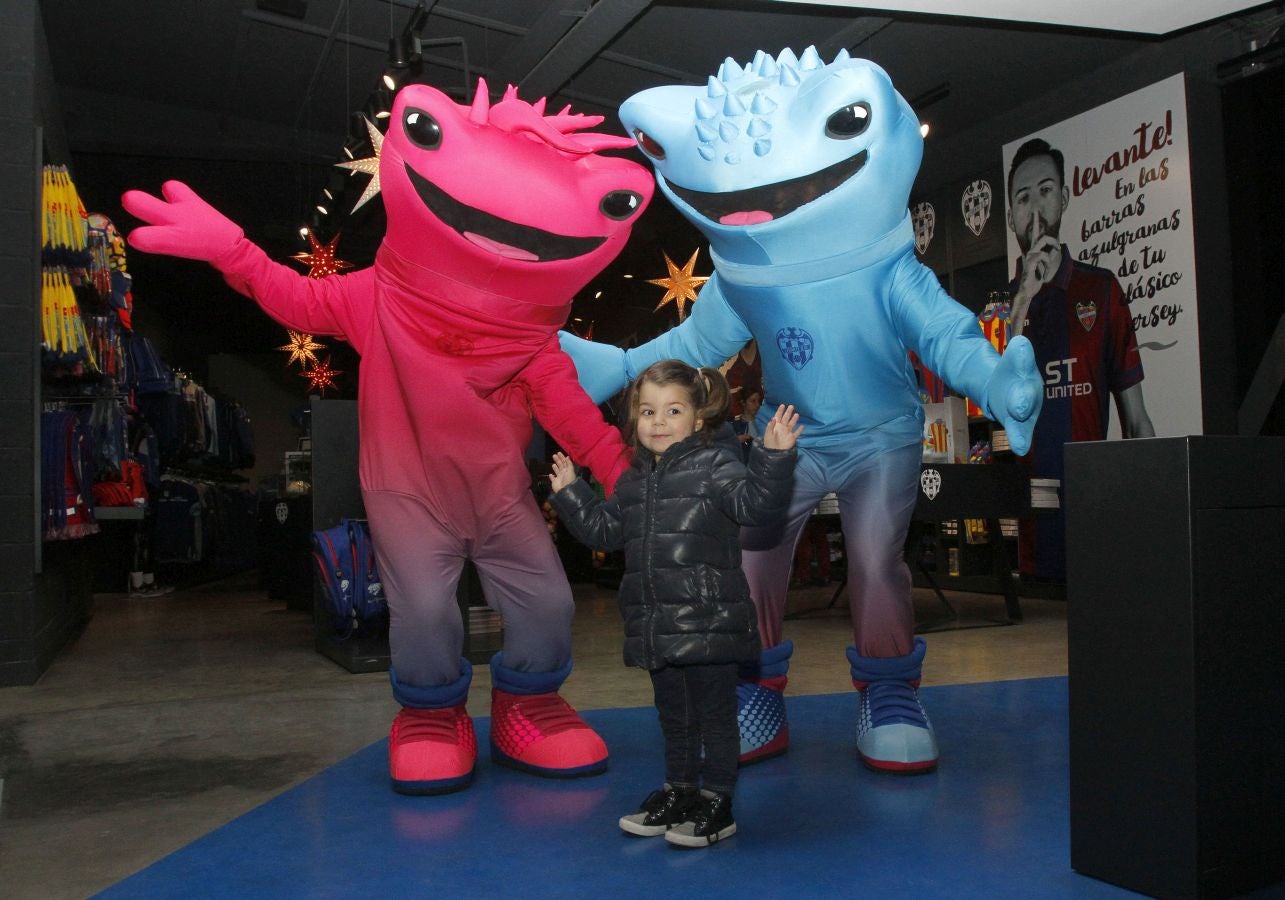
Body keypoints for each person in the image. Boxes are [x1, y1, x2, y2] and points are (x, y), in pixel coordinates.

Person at [549, 360, 800, 848]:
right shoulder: (633, 481)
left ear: (698, 419)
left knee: (715, 716)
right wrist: (571, 494)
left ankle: (717, 800)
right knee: (674, 716)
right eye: (647, 411)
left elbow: (755, 506)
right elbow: (605, 531)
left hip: (710, 624)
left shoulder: (717, 465)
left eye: (672, 410)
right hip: (658, 625)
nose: (657, 422)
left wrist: (773, 458)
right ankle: (680, 789)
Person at [1005, 137, 1155, 580]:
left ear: (1065, 198)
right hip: (1027, 530)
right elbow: (999, 404)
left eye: (1046, 191)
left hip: (1094, 520)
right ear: (1010, 213)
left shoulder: (1101, 290)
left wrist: (1148, 508)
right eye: (1023, 197)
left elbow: (1137, 421)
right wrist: (1022, 303)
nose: (1035, 209)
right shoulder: (1002, 309)